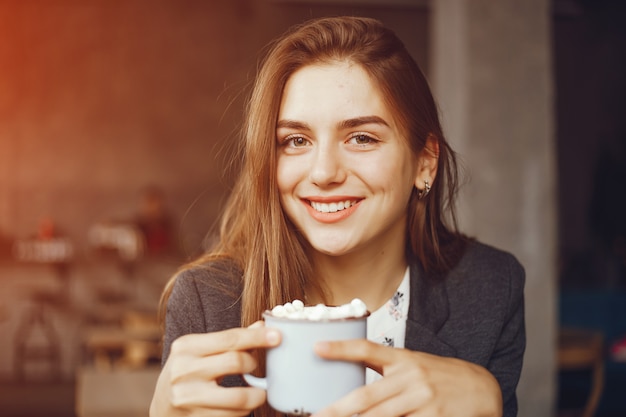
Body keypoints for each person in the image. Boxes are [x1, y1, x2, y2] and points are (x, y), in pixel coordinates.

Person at [150, 16, 525, 417]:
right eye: (296, 141)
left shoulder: (489, 289)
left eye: (361, 138)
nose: (324, 172)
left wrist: (491, 405)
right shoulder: (207, 303)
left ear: (425, 162)